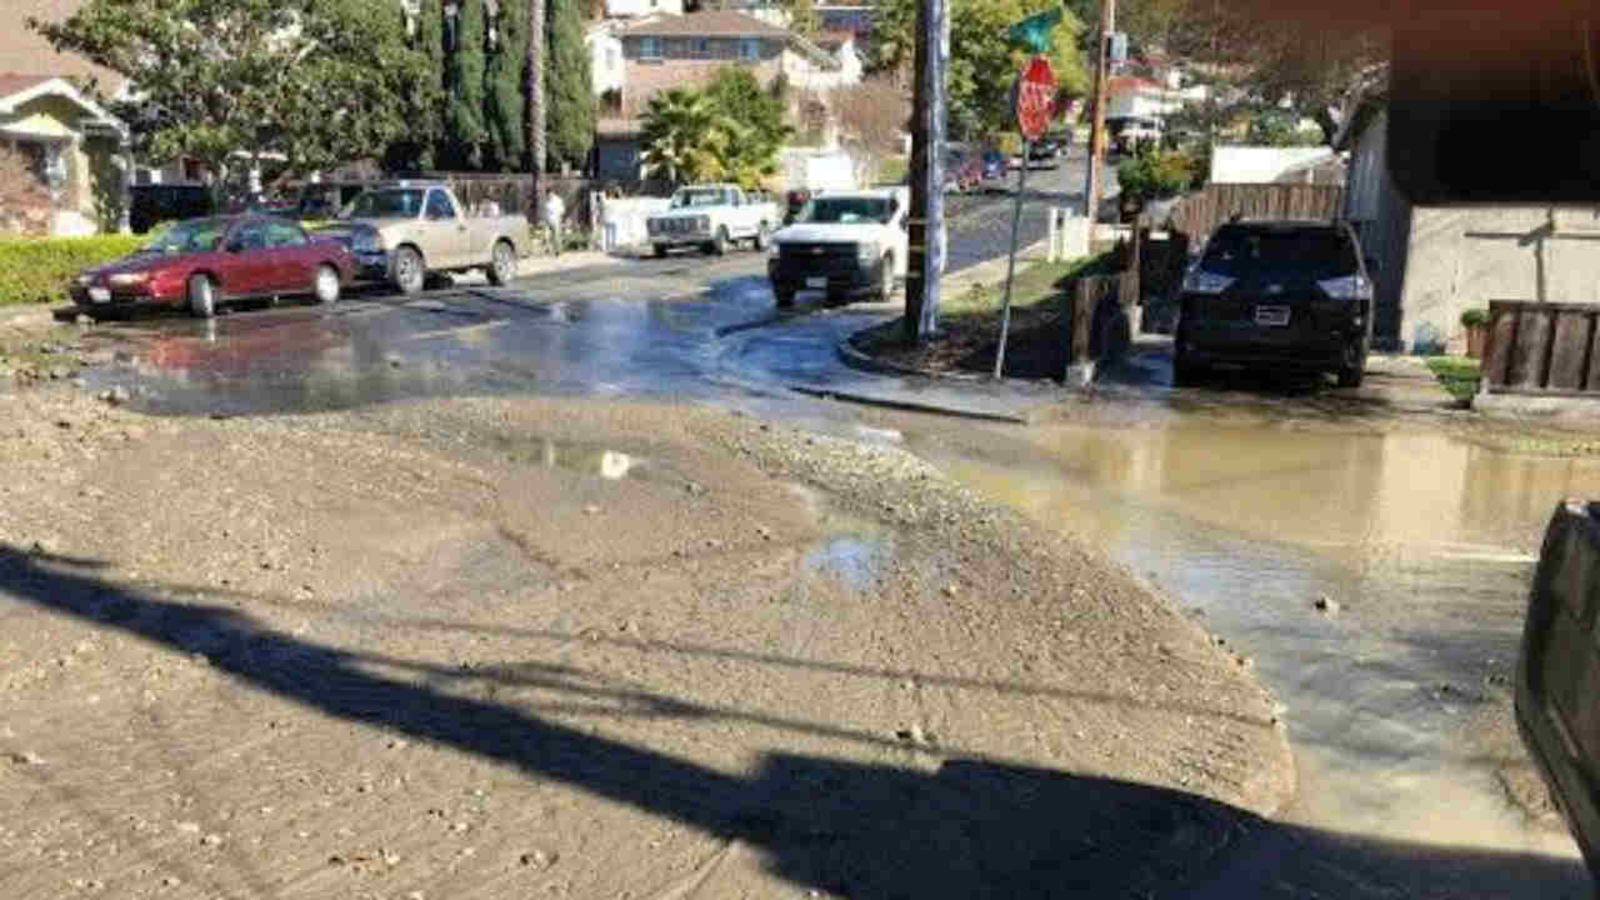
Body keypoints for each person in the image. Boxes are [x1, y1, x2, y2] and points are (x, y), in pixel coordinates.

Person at [543, 187, 566, 257]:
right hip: (548, 221)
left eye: (550, 194)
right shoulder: (547, 201)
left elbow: (562, 210)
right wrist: (544, 219)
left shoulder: (558, 200)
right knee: (546, 236)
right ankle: (549, 249)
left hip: (556, 220)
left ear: (552, 193)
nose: (549, 196)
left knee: (556, 237)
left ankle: (558, 251)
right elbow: (545, 211)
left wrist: (559, 216)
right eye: (547, 194)